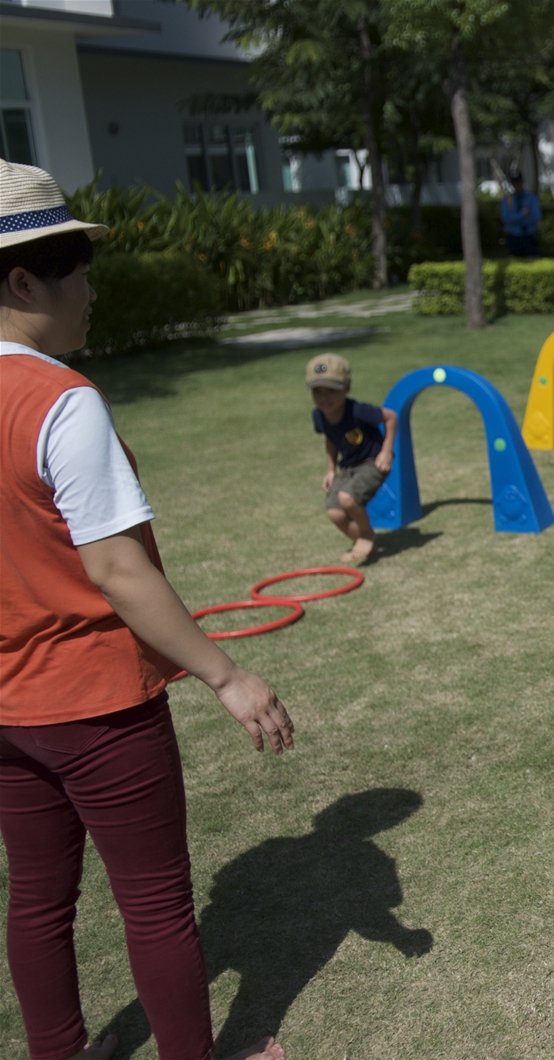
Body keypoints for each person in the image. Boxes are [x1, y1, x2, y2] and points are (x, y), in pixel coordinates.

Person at [0, 160, 292, 1060]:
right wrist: (227, 674)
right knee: (156, 903)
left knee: (37, 899)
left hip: (8, 706)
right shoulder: (62, 401)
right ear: (23, 282)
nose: (92, 291)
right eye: (80, 273)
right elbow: (118, 570)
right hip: (97, 702)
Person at [307, 354, 397, 565]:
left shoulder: (358, 411)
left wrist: (386, 451)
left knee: (347, 498)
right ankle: (364, 544)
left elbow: (391, 417)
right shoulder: (319, 415)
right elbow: (331, 439)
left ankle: (366, 535)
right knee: (335, 512)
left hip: (373, 462)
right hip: (348, 467)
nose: (324, 398)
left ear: (346, 388)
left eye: (331, 390)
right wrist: (330, 469)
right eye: (317, 391)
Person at [499, 172, 542, 258]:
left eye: (519, 182)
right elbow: (506, 218)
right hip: (514, 237)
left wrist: (515, 218)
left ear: (523, 182)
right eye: (515, 183)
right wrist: (522, 215)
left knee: (532, 260)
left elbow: (536, 217)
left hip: (529, 236)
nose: (517, 185)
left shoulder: (531, 198)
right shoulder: (508, 200)